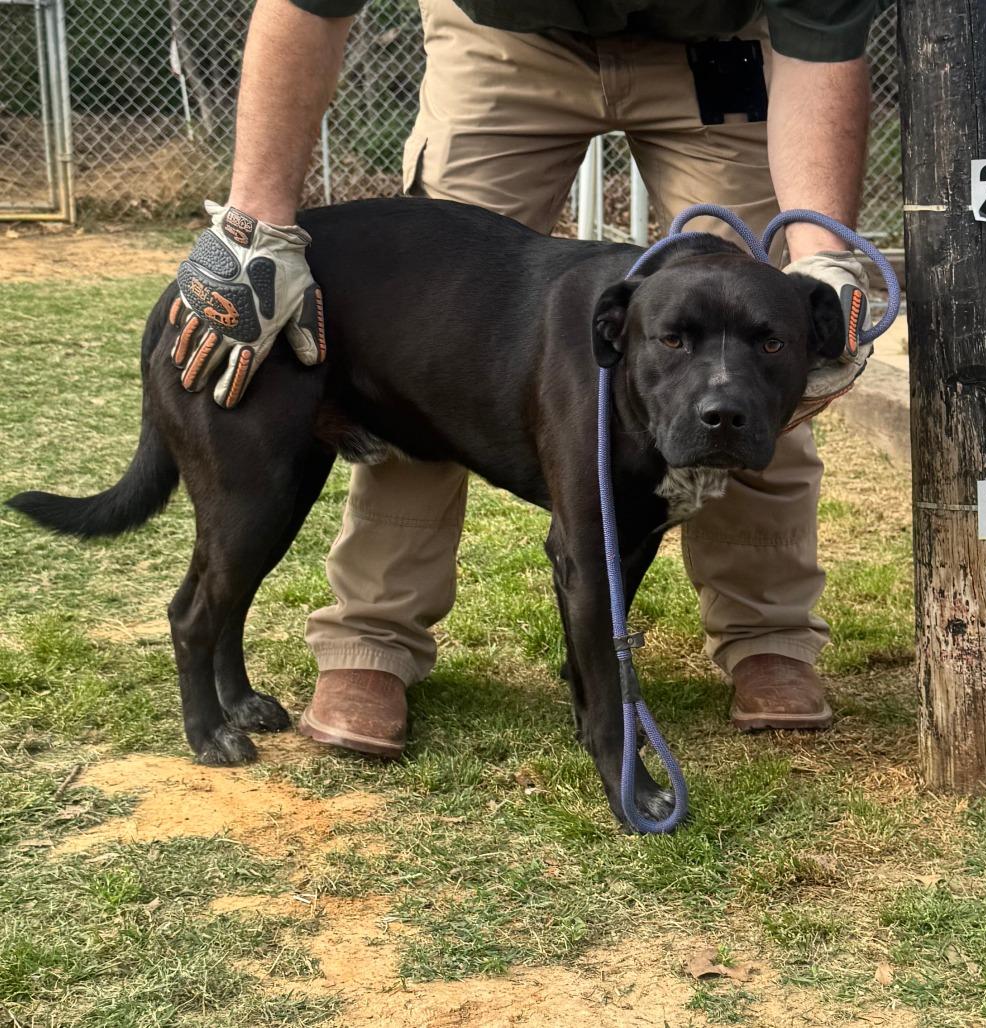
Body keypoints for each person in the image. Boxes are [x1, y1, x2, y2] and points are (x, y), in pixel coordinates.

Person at [170, 0, 879, 758]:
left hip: (719, 40)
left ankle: (767, 637)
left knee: (754, 329)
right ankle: (370, 645)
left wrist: (819, 256)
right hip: (502, 34)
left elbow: (823, 36)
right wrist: (257, 226)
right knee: (434, 332)